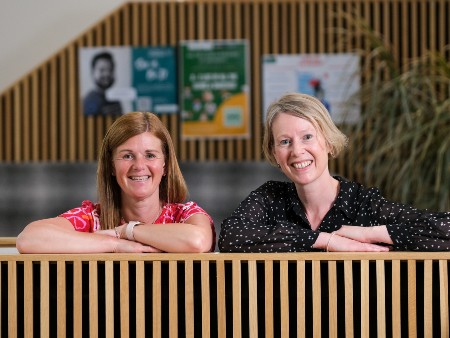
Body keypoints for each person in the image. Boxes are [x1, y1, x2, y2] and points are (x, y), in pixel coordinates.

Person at [218, 93, 450, 252]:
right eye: (285, 141)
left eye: (307, 137)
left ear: (328, 142)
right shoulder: (269, 197)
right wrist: (325, 240)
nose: (297, 151)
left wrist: (368, 234)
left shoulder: (362, 203)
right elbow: (230, 236)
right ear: (274, 153)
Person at [16, 112, 215, 253]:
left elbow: (198, 241)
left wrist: (128, 231)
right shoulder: (92, 218)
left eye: (150, 155)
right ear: (111, 166)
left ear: (166, 165)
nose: (139, 165)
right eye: (127, 156)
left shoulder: (185, 215)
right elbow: (30, 239)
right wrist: (116, 244)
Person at [83, 51, 123, 116]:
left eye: (110, 69)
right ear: (92, 72)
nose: (107, 74)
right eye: (102, 70)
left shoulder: (115, 99)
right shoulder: (89, 101)